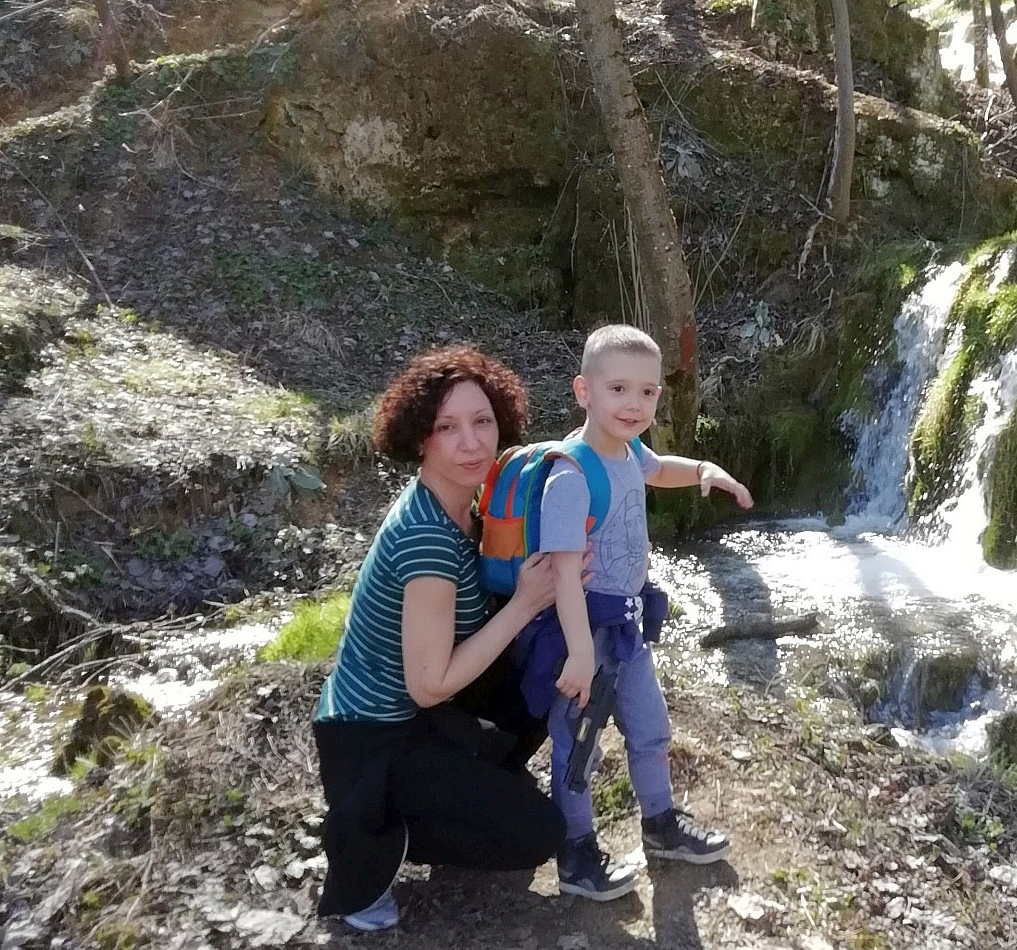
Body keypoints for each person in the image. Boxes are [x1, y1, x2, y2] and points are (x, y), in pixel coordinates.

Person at [312, 345, 571, 931]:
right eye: (447, 427)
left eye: (482, 421)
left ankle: (467, 788)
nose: (471, 443)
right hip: (371, 740)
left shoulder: (468, 502)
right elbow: (428, 685)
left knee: (541, 676)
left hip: (420, 718)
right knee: (539, 834)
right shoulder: (427, 537)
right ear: (420, 438)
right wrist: (526, 602)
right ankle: (373, 834)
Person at [521, 324, 753, 902]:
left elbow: (657, 468)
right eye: (618, 389)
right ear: (584, 391)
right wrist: (579, 652)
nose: (634, 404)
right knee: (578, 744)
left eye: (647, 392)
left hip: (626, 628)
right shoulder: (572, 475)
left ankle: (660, 823)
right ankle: (576, 852)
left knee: (650, 728)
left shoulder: (627, 451)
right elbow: (564, 576)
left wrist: (701, 470)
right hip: (582, 631)